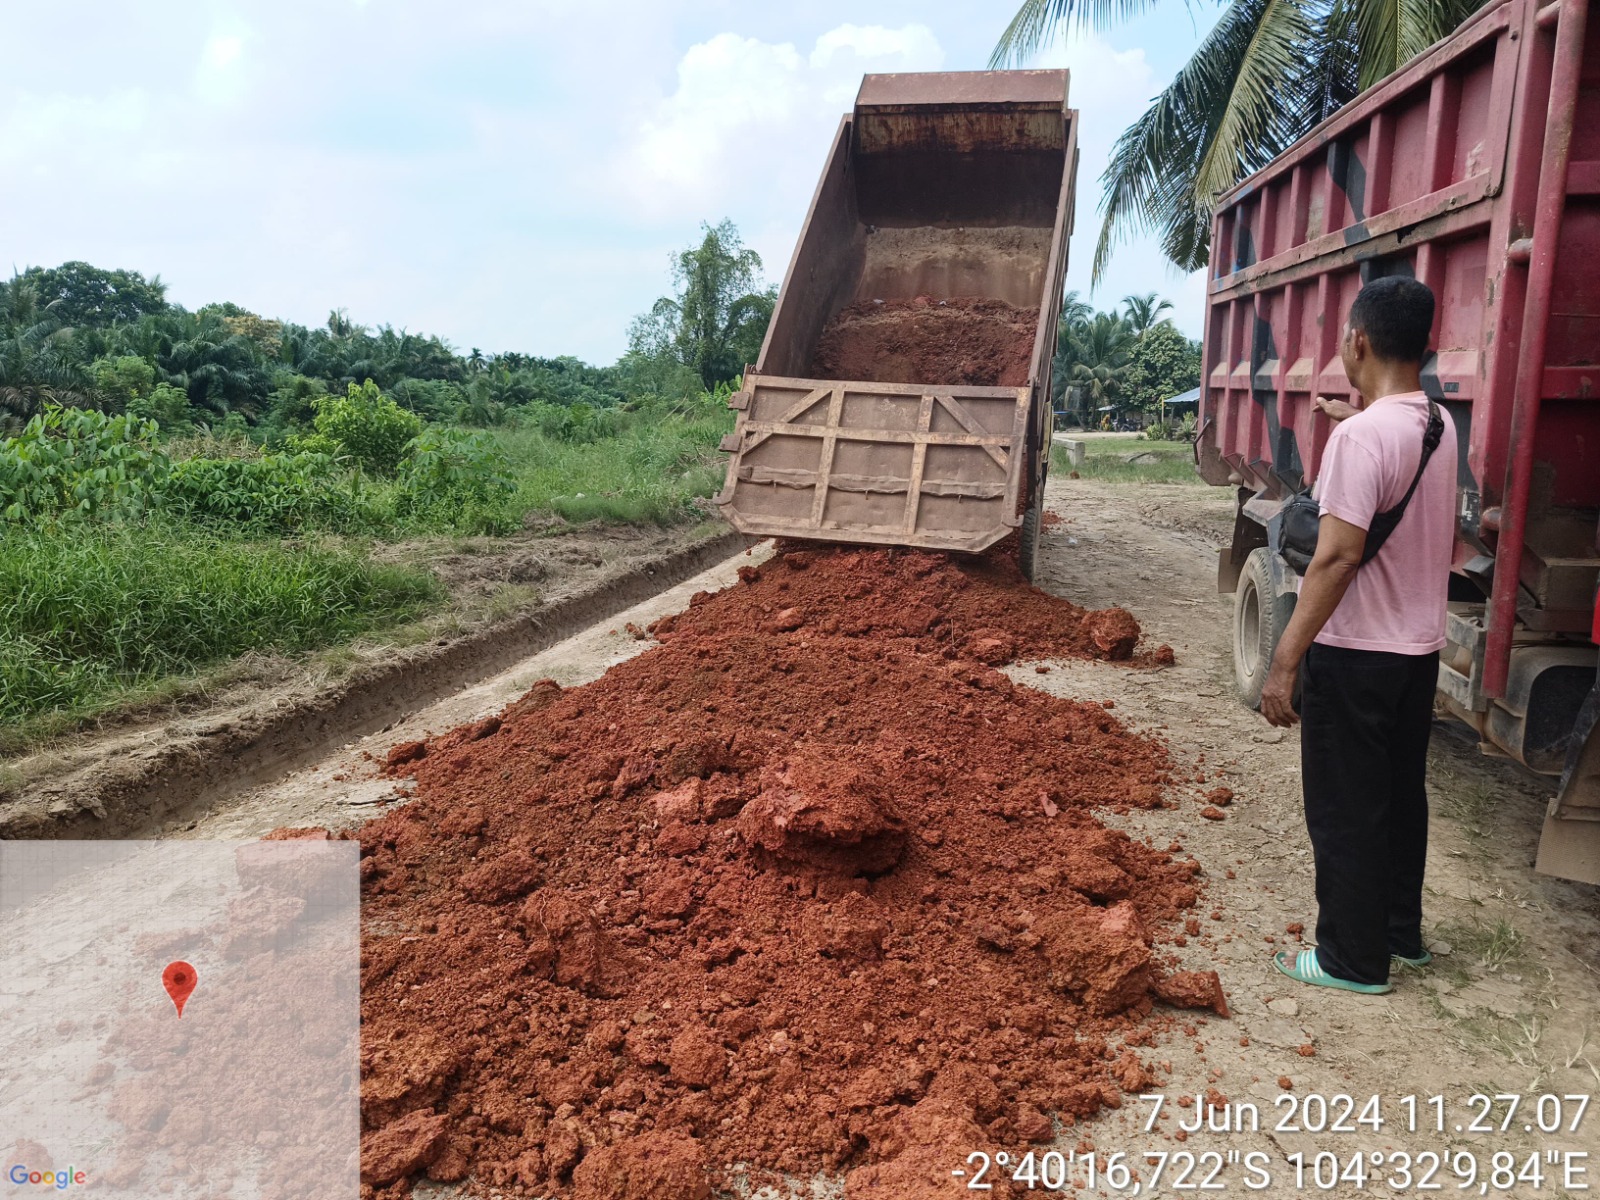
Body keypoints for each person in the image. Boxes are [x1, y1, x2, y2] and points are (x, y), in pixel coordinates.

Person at [1258, 276, 1457, 995]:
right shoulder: (1434, 422)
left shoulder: (1359, 438)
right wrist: (1353, 413)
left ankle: (1349, 959)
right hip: (1416, 652)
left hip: (1357, 653)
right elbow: (1390, 439)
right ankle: (1400, 936)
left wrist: (1285, 662)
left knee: (1346, 807)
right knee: (1401, 797)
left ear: (1359, 341)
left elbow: (1337, 557)